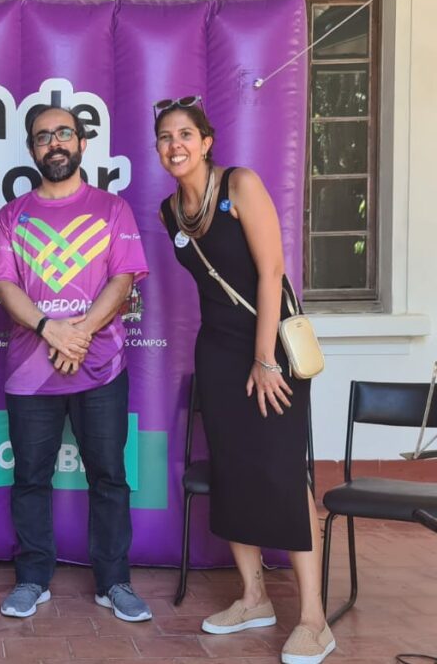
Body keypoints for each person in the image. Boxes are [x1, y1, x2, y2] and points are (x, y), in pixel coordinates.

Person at [154, 96, 334, 664]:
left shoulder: (240, 184)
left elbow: (271, 272)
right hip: (218, 350)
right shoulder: (169, 212)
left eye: (185, 134)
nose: (175, 145)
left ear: (206, 142)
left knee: (282, 470)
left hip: (269, 345)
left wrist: (264, 358)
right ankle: (254, 597)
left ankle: (314, 619)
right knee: (232, 470)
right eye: (164, 137)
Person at [0, 105, 152, 622]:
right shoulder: (11, 216)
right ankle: (33, 578)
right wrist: (49, 329)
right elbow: (5, 285)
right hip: (29, 374)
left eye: (63, 134)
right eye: (42, 137)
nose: (54, 143)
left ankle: (113, 581)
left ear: (81, 142)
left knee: (108, 477)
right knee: (31, 478)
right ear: (32, 149)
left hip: (101, 367)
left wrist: (77, 333)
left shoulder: (112, 209)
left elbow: (123, 281)